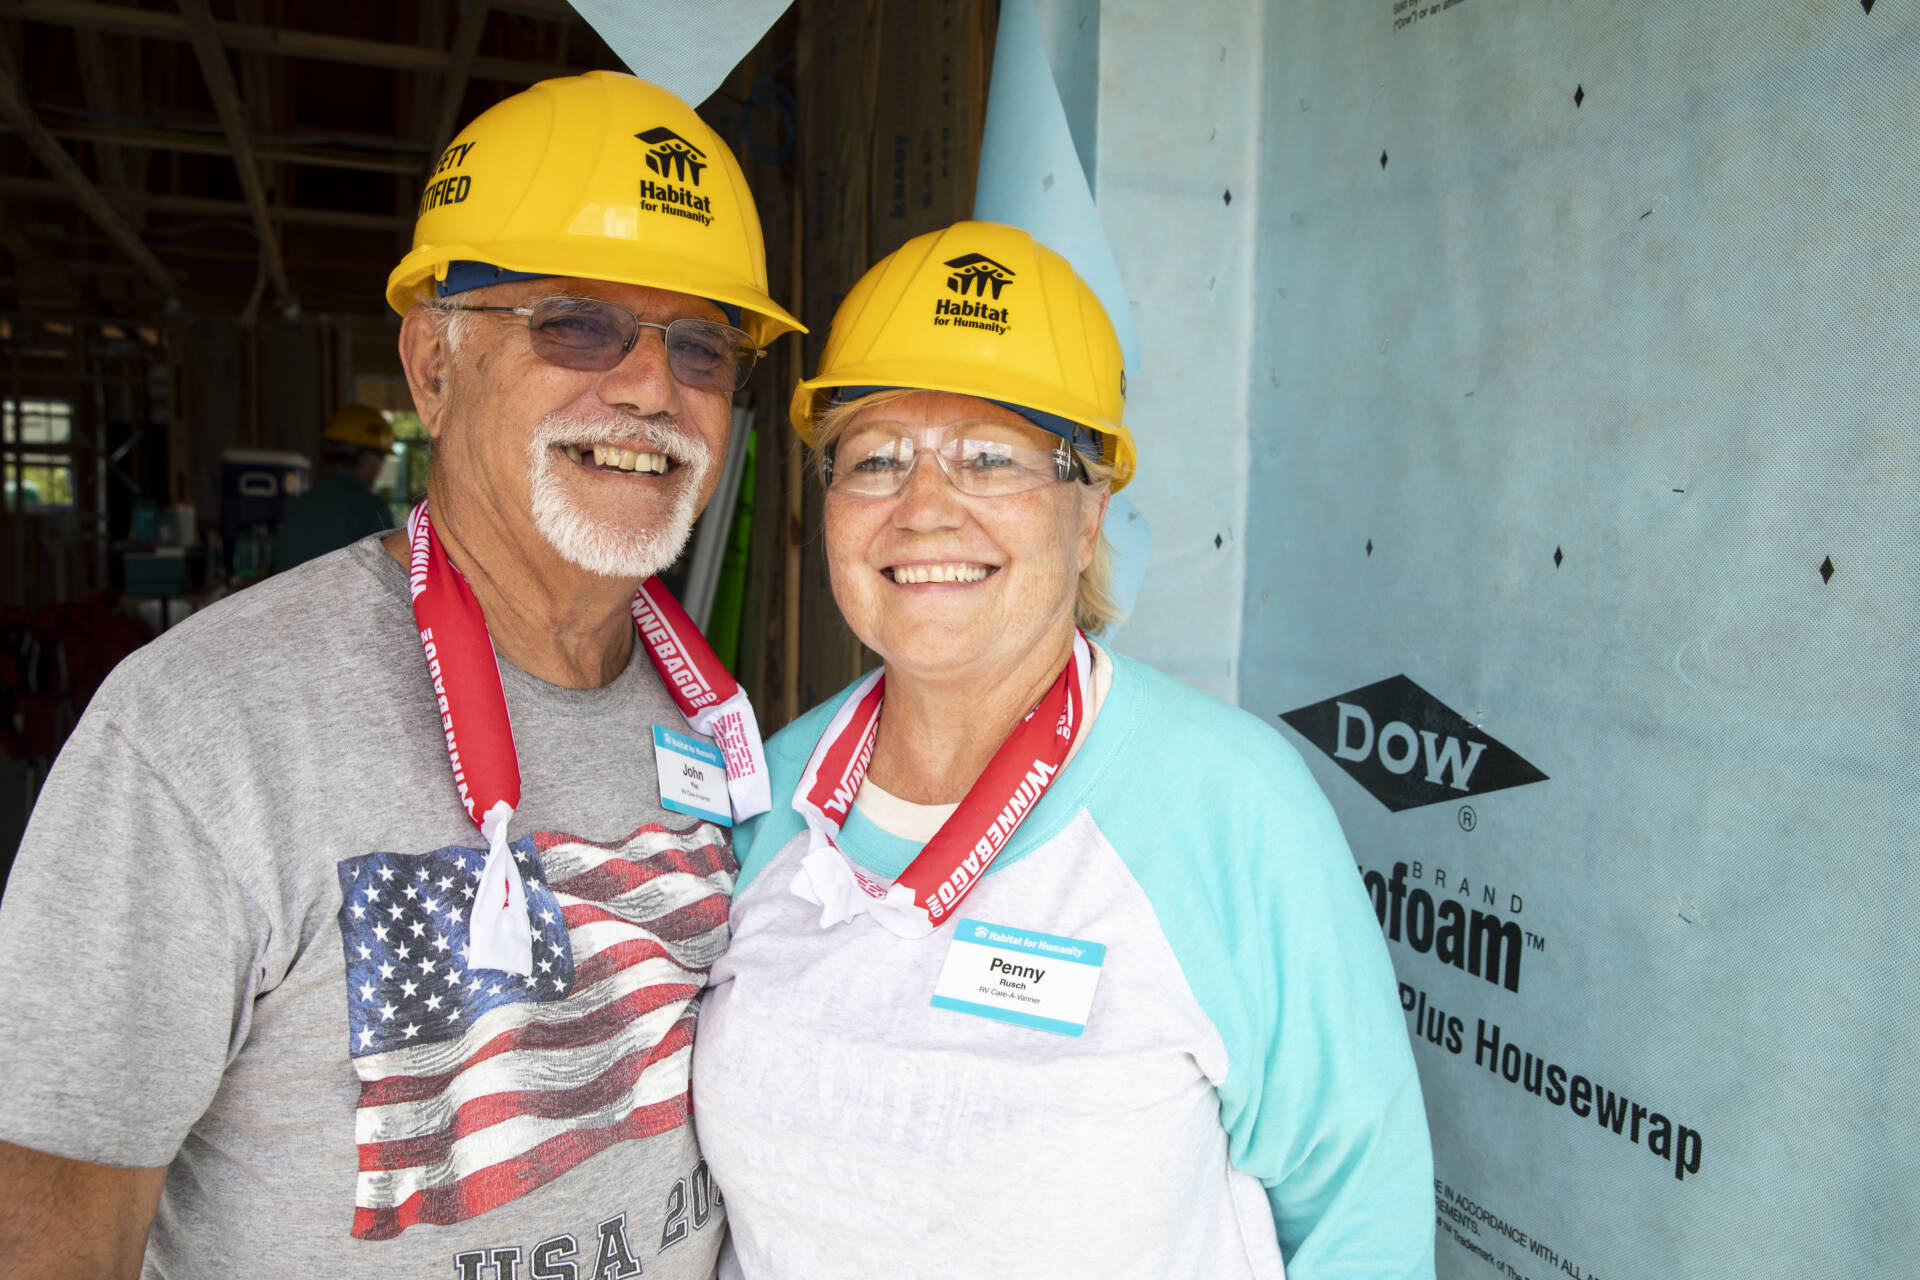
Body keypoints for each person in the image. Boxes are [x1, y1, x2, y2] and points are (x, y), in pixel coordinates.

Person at [0, 70, 800, 1279]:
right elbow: (48, 1228)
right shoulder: (200, 732)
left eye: (701, 344)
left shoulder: (717, 719)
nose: (648, 385)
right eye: (577, 323)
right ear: (433, 365)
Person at [692, 220, 1435, 1279]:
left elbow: (1364, 1217)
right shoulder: (773, 791)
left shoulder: (1227, 803)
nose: (925, 508)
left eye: (990, 457)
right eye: (877, 457)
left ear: (1088, 513)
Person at [276, 403, 398, 570]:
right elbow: (391, 577)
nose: (380, 467)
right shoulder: (372, 510)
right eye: (381, 458)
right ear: (367, 457)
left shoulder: (301, 504)